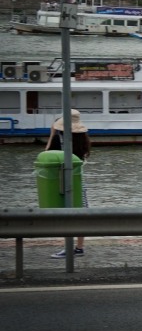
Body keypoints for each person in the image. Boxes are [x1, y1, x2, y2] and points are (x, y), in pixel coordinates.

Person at [46, 110, 91, 258]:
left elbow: (46, 157)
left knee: (66, 215)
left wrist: (52, 135)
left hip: (62, 182)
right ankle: (79, 247)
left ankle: (69, 247)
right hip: (79, 181)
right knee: (80, 214)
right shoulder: (83, 141)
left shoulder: (60, 141)